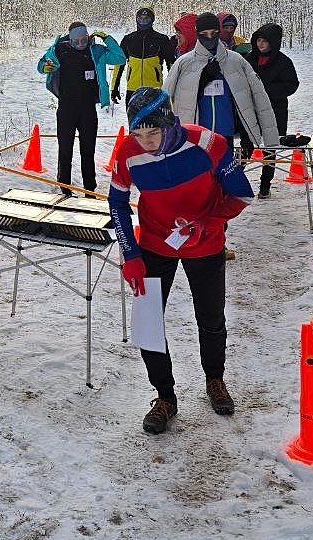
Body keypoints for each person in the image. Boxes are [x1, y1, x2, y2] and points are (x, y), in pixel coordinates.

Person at [108, 88, 254, 435]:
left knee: (211, 317)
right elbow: (117, 203)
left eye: (153, 132)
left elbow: (242, 194)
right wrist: (131, 255)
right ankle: (165, 397)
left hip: (204, 243)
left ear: (170, 122)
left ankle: (215, 379)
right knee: (147, 323)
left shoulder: (209, 144)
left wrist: (207, 222)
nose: (145, 142)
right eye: (138, 134)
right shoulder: (128, 153)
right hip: (155, 245)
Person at [163, 12, 280, 152]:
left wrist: (248, 136)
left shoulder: (236, 61)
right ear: (197, 33)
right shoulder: (184, 63)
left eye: (214, 32)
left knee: (226, 172)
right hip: (195, 137)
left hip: (226, 134)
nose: (209, 37)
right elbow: (166, 101)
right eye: (204, 33)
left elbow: (257, 99)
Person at [38, 22, 126, 195]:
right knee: (65, 150)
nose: (80, 45)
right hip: (66, 108)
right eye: (76, 41)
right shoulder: (59, 50)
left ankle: (89, 189)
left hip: (87, 110)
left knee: (88, 151)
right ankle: (65, 188)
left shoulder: (96, 51)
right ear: (69, 40)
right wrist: (45, 67)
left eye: (84, 40)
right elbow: (41, 65)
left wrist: (107, 38)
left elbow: (120, 58)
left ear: (88, 37)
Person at [241, 23, 299, 199]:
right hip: (251, 110)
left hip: (275, 110)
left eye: (265, 41)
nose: (261, 44)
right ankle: (234, 178)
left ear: (273, 42)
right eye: (258, 40)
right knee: (246, 145)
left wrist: (268, 90)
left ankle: (265, 184)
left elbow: (292, 85)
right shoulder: (249, 59)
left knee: (270, 148)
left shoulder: (283, 61)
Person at [110, 6, 178, 105]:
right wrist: (114, 88)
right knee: (133, 120)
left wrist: (173, 88)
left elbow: (171, 65)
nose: (143, 22)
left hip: (154, 90)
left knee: (155, 120)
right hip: (132, 90)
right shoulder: (128, 40)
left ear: (152, 20)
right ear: (136, 19)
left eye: (146, 19)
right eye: (140, 19)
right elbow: (119, 64)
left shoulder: (162, 40)